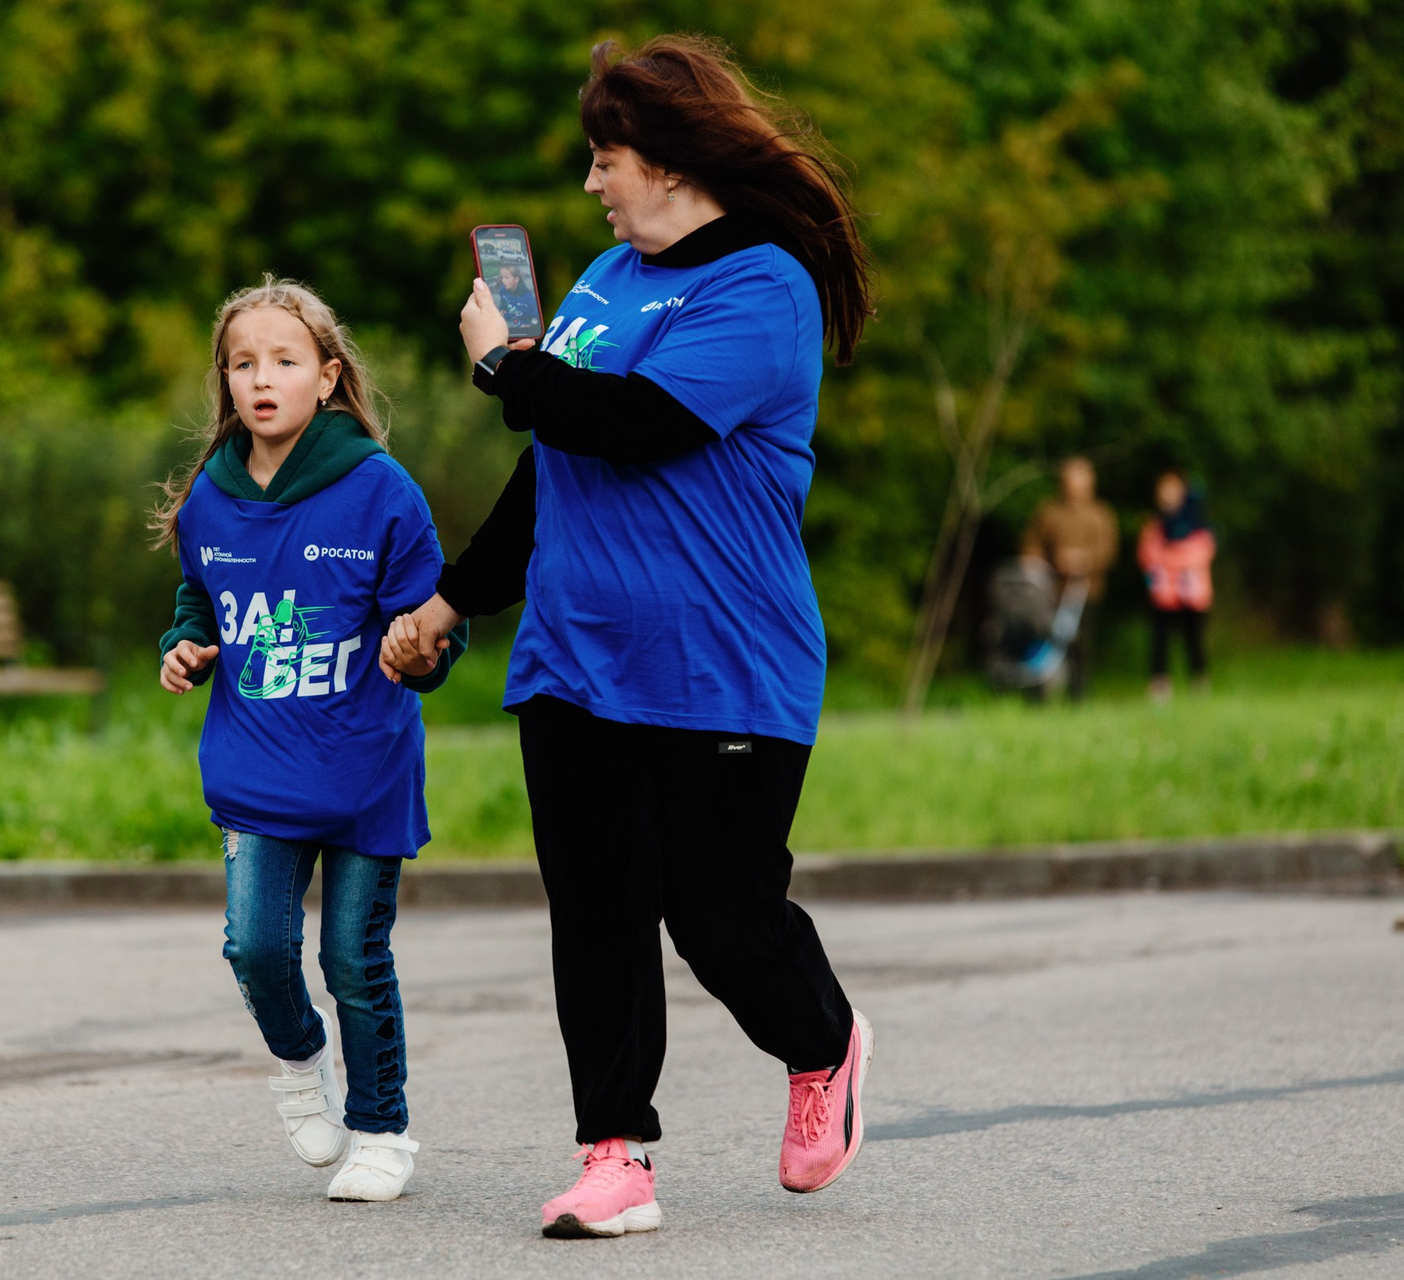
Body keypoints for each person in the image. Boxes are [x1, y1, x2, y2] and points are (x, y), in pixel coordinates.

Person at [378, 36, 875, 1238]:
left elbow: (640, 421)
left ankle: (823, 1042)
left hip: (726, 666)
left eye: (607, 158)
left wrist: (504, 366)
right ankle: (614, 1154)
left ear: (673, 159)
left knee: (721, 920)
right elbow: (557, 461)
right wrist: (452, 600)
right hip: (576, 658)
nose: (593, 182)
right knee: (596, 910)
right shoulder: (604, 279)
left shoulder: (764, 286)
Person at [154, 276, 466, 1203]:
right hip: (256, 769)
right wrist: (185, 645)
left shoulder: (380, 489)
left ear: (327, 377)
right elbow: (198, 597)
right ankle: (300, 1062)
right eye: (242, 363)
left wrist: (420, 655)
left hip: (363, 769)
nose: (262, 378)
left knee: (352, 961)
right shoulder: (209, 497)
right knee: (255, 949)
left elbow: (436, 626)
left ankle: (382, 1130)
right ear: (224, 380)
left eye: (285, 361)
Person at [1020, 456, 1118, 700]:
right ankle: (1038, 692)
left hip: (1087, 592)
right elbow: (1032, 544)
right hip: (1050, 591)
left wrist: (1082, 561)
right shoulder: (1048, 512)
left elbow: (1108, 551)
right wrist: (1038, 561)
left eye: (1080, 478)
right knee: (1044, 641)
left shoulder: (1101, 514)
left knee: (1080, 644)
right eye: (1070, 478)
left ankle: (1078, 694)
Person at [1137, 469, 1216, 699]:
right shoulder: (1154, 524)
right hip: (1162, 595)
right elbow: (1147, 555)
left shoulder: (1198, 522)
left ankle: (1199, 681)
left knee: (1194, 639)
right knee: (1160, 640)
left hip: (1193, 594)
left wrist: (1169, 557)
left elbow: (1201, 553)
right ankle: (1160, 685)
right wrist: (1177, 557)